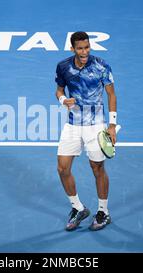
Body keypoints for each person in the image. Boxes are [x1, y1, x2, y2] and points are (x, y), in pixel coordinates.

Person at [55, 31, 118, 231]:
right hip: (73, 124)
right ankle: (78, 208)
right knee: (62, 169)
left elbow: (111, 94)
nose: (84, 52)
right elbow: (59, 90)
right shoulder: (63, 66)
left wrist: (112, 125)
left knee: (97, 168)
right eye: (80, 48)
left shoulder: (101, 65)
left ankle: (103, 212)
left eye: (87, 47)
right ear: (72, 48)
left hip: (96, 125)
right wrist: (63, 100)